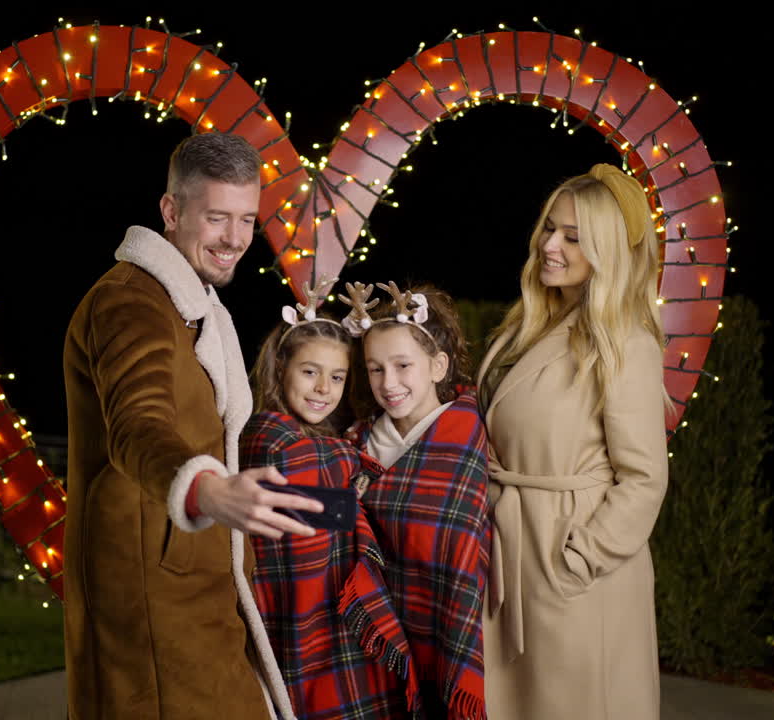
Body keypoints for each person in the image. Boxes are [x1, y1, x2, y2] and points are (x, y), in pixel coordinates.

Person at [62, 132, 322, 720]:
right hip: (149, 595)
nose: (235, 239)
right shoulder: (131, 303)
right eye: (217, 218)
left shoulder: (191, 304)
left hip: (197, 585)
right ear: (171, 211)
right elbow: (137, 424)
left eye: (247, 219)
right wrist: (207, 488)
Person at [476, 164, 670, 720]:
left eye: (573, 237)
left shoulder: (626, 343)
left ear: (607, 250)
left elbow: (644, 479)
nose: (550, 245)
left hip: (574, 566)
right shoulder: (530, 325)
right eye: (549, 229)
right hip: (516, 555)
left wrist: (577, 562)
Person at [242, 277, 414, 720]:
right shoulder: (267, 435)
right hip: (299, 618)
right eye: (309, 372)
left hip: (330, 617)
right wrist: (354, 474)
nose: (323, 388)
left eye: (336, 377)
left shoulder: (318, 438)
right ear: (280, 369)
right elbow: (320, 492)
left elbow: (329, 503)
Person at [345, 280, 493, 720]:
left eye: (402, 365)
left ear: (438, 365)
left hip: (447, 620)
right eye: (375, 369)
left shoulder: (470, 439)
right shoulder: (356, 442)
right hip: (376, 635)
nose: (388, 383)